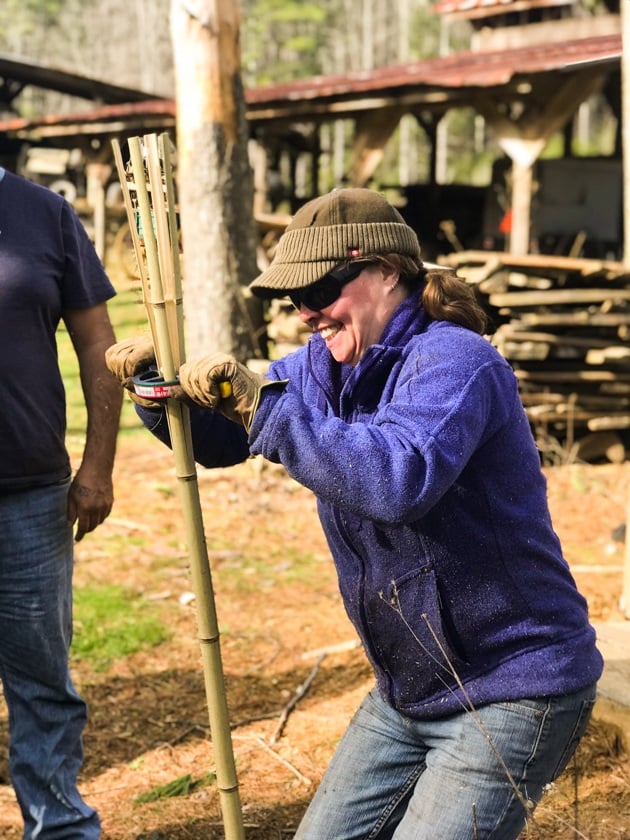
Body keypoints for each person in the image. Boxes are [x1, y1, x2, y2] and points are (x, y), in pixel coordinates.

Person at [106, 187, 603, 839]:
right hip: (410, 689)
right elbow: (227, 440)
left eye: (324, 288)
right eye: (294, 298)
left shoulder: (454, 362)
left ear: (389, 271)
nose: (309, 311)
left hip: (512, 685)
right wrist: (157, 394)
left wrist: (265, 406)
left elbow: (398, 478)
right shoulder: (320, 366)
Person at [0, 166, 123, 839]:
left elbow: (98, 344)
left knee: (42, 686)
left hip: (28, 496)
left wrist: (98, 464)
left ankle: (60, 829)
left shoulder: (44, 213)